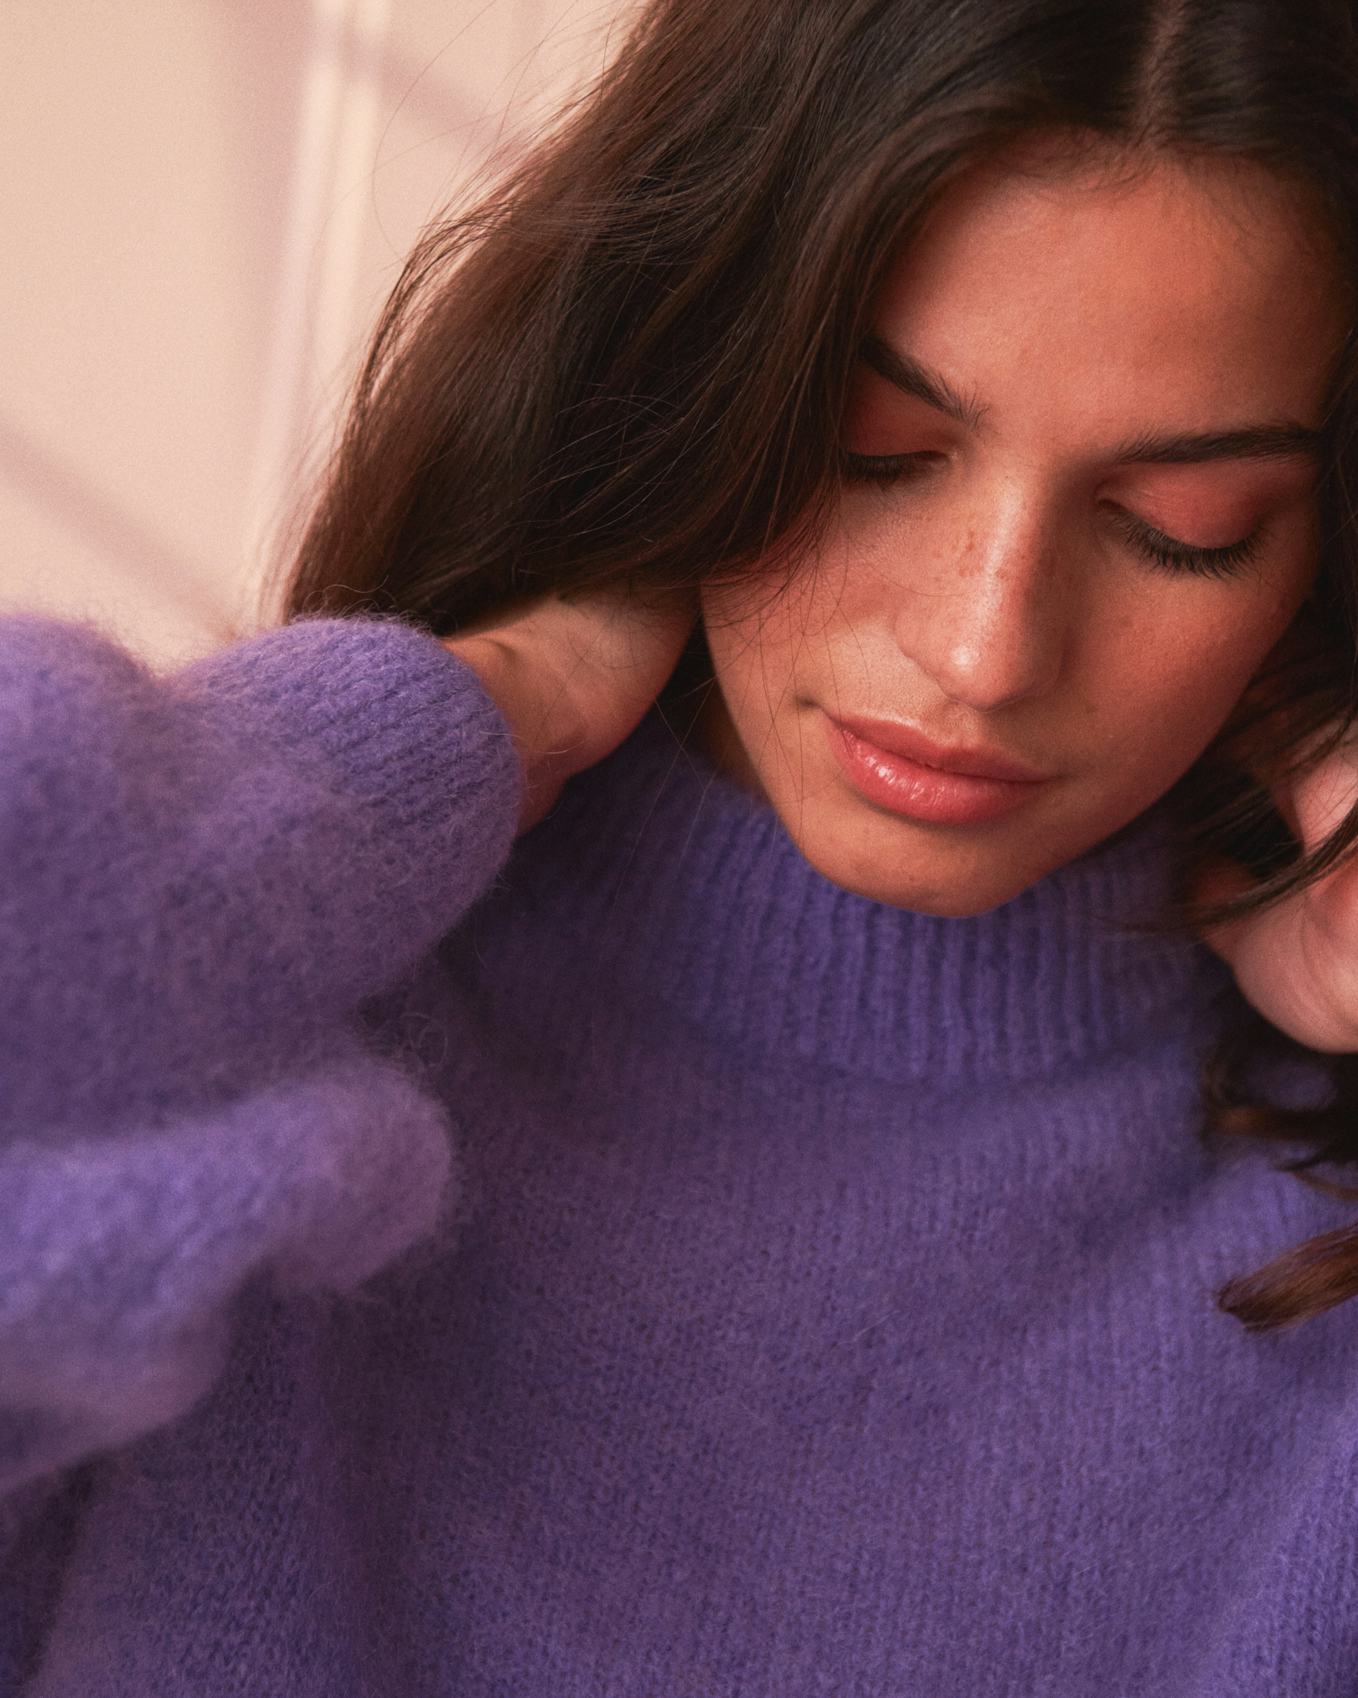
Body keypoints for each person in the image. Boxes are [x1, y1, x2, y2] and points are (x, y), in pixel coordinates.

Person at [5, 0, 1358, 1691]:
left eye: (1180, 530)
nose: (981, 647)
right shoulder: (243, 1044)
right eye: (873, 452)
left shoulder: (1314, 1250)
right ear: (698, 372)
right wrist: (461, 724)